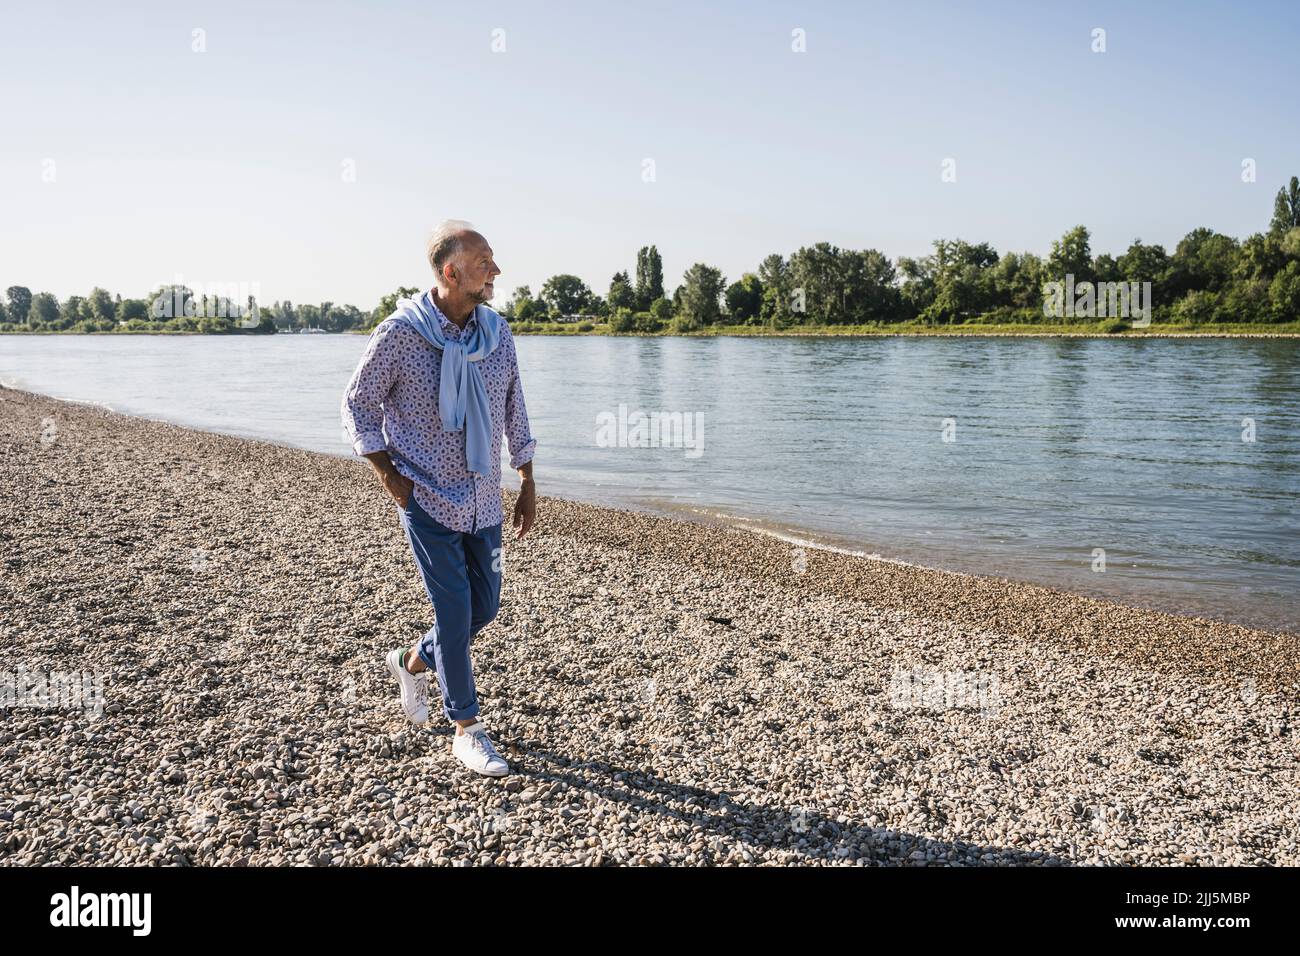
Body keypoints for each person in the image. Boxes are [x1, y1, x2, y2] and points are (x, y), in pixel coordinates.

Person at [341, 219, 537, 776]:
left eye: (493, 261)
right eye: (484, 263)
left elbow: (513, 409)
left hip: (483, 498)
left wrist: (527, 480)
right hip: (425, 498)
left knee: (486, 605)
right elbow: (357, 405)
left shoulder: (497, 334)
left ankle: (410, 661)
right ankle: (467, 729)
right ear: (450, 272)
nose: (495, 271)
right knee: (453, 610)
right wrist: (387, 474)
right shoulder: (400, 335)